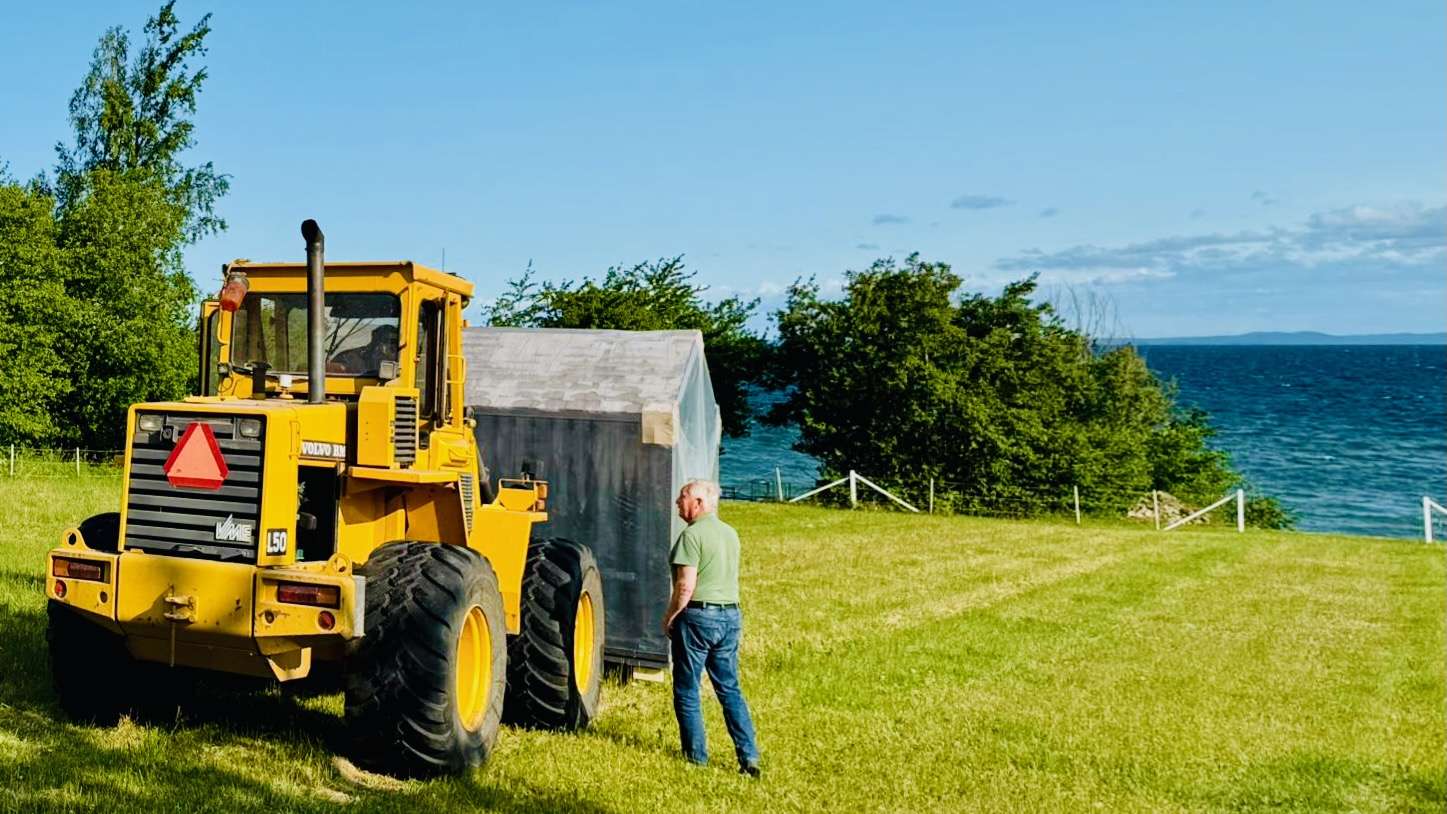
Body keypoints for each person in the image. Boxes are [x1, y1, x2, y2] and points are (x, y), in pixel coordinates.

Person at [662, 479, 761, 776]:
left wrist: (670, 617)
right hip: (730, 616)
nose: (677, 502)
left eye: (682, 496)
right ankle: (749, 756)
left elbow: (685, 586)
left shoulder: (691, 536)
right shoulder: (730, 533)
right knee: (729, 688)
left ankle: (696, 758)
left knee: (687, 689)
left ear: (699, 503)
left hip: (698, 617)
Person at [331, 324, 398, 374]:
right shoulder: (350, 357)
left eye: (395, 342)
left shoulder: (399, 359)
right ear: (376, 341)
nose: (392, 345)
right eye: (386, 340)